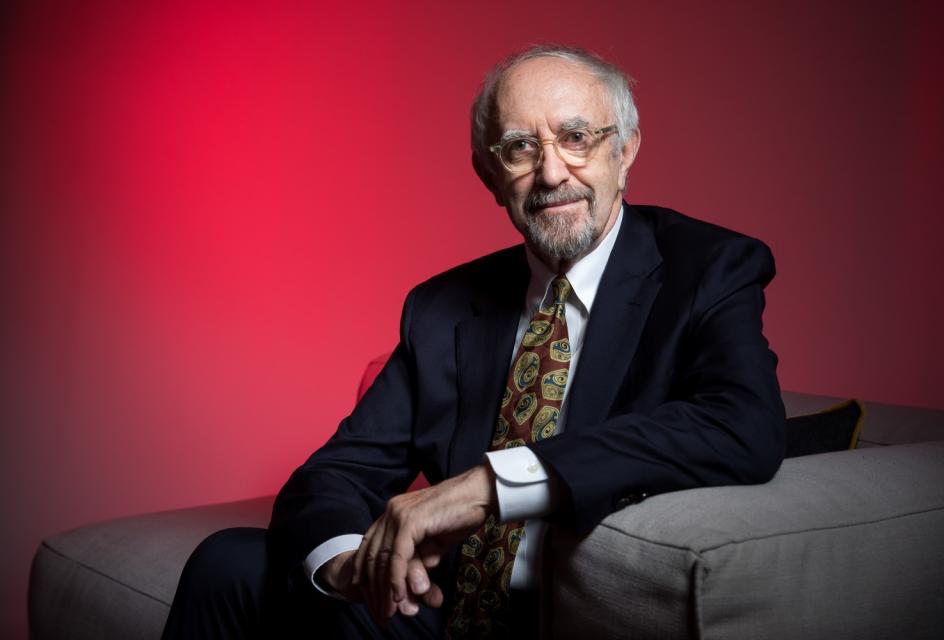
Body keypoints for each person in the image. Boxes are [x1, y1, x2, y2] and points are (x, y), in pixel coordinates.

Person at [162, 44, 785, 639]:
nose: (550, 172)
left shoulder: (707, 268)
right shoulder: (442, 308)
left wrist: (488, 486)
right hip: (441, 610)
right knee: (228, 565)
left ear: (625, 150)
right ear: (489, 173)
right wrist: (353, 564)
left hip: (568, 619)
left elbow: (742, 424)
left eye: (576, 138)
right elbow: (337, 472)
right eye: (519, 147)